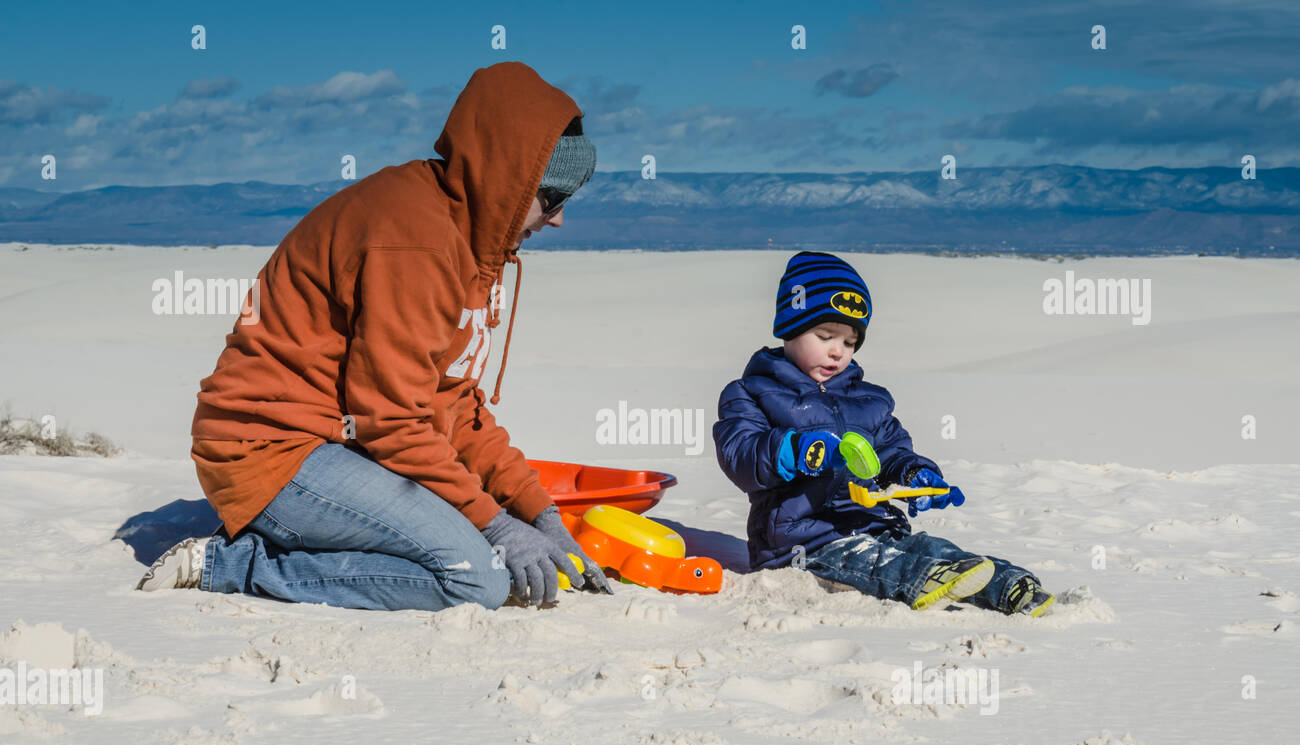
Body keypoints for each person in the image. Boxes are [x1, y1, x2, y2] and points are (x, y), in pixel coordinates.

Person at [137, 61, 612, 610]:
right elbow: (392, 419)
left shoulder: (472, 240)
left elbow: (451, 401)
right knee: (477, 577)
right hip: (271, 448)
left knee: (478, 547)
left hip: (337, 442)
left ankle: (311, 534)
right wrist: (499, 528)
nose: (556, 220)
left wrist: (537, 512)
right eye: (551, 198)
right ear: (511, 181)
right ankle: (232, 563)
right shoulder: (416, 241)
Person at [712, 251, 1055, 616]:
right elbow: (740, 456)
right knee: (871, 561)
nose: (836, 352)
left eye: (849, 342)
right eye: (824, 335)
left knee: (929, 547)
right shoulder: (751, 392)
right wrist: (796, 450)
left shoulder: (868, 399)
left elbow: (890, 450)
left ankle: (1006, 585)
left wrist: (914, 474)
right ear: (789, 328)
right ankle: (925, 579)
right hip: (802, 543)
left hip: (874, 525)